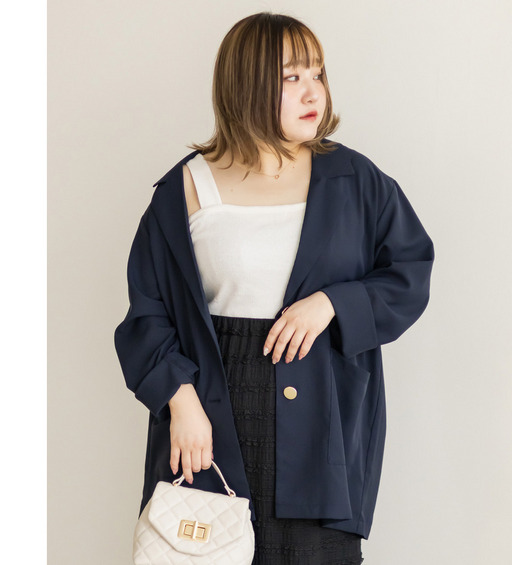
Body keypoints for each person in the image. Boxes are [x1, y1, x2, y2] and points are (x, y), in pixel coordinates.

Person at [114, 11, 434, 565]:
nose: (314, 92)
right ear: (247, 85)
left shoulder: (356, 181)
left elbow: (410, 270)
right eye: (292, 77)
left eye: (318, 73)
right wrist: (181, 404)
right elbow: (148, 312)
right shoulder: (187, 187)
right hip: (211, 416)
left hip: (321, 425)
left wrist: (331, 304)